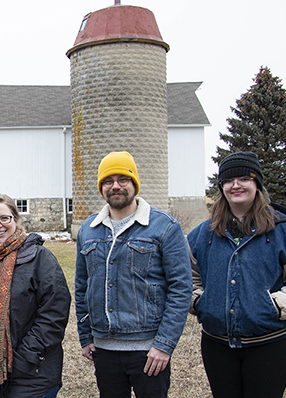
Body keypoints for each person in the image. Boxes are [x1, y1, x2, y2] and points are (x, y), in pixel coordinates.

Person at [187, 151, 286, 398]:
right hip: (216, 346)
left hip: (268, 346)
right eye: (229, 180)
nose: (236, 185)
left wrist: (272, 306)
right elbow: (187, 278)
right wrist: (202, 301)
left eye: (244, 178)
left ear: (257, 184)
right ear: (221, 187)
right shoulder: (202, 234)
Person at [74, 151, 192, 398]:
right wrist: (86, 335)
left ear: (134, 183)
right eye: (108, 181)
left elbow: (180, 289)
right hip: (104, 350)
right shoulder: (88, 229)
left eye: (123, 179)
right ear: (101, 187)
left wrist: (163, 345)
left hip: (149, 352)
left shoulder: (164, 227)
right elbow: (82, 286)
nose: (115, 186)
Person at [0, 193, 71, 398]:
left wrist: (25, 358)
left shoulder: (39, 258)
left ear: (16, 220)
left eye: (5, 218)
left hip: (30, 374)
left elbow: (54, 313)